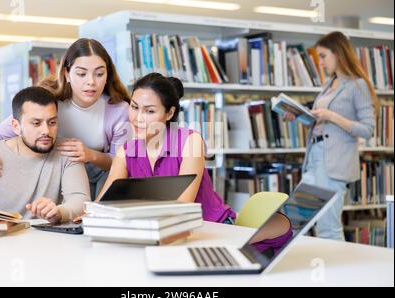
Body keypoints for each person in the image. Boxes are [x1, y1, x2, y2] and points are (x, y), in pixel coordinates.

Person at [97, 73, 292, 249]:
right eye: (134, 107)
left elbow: (182, 207)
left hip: (211, 230)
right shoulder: (126, 152)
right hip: (160, 234)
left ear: (169, 113)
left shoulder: (190, 141)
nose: (138, 118)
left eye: (149, 111)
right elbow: (103, 204)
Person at [0, 38, 130, 199]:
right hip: (57, 172)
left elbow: (120, 162)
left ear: (107, 74)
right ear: (67, 74)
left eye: (99, 74)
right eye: (81, 73)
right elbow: (3, 131)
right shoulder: (50, 100)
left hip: (101, 176)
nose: (91, 82)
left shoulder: (119, 109)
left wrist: (90, 155)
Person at [0, 87, 91, 223]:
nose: (46, 131)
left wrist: (59, 211)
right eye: (36, 123)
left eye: (52, 122)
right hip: (0, 240)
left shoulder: (68, 150)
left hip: (48, 241)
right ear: (16, 126)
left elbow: (80, 201)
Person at [284, 31, 377, 241]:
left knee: (328, 226)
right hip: (315, 159)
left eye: (324, 56)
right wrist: (299, 116)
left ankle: (336, 273)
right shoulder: (329, 85)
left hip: (334, 164)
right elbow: (322, 124)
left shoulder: (357, 85)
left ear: (338, 53)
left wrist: (332, 116)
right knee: (294, 217)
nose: (321, 63)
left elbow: (367, 129)